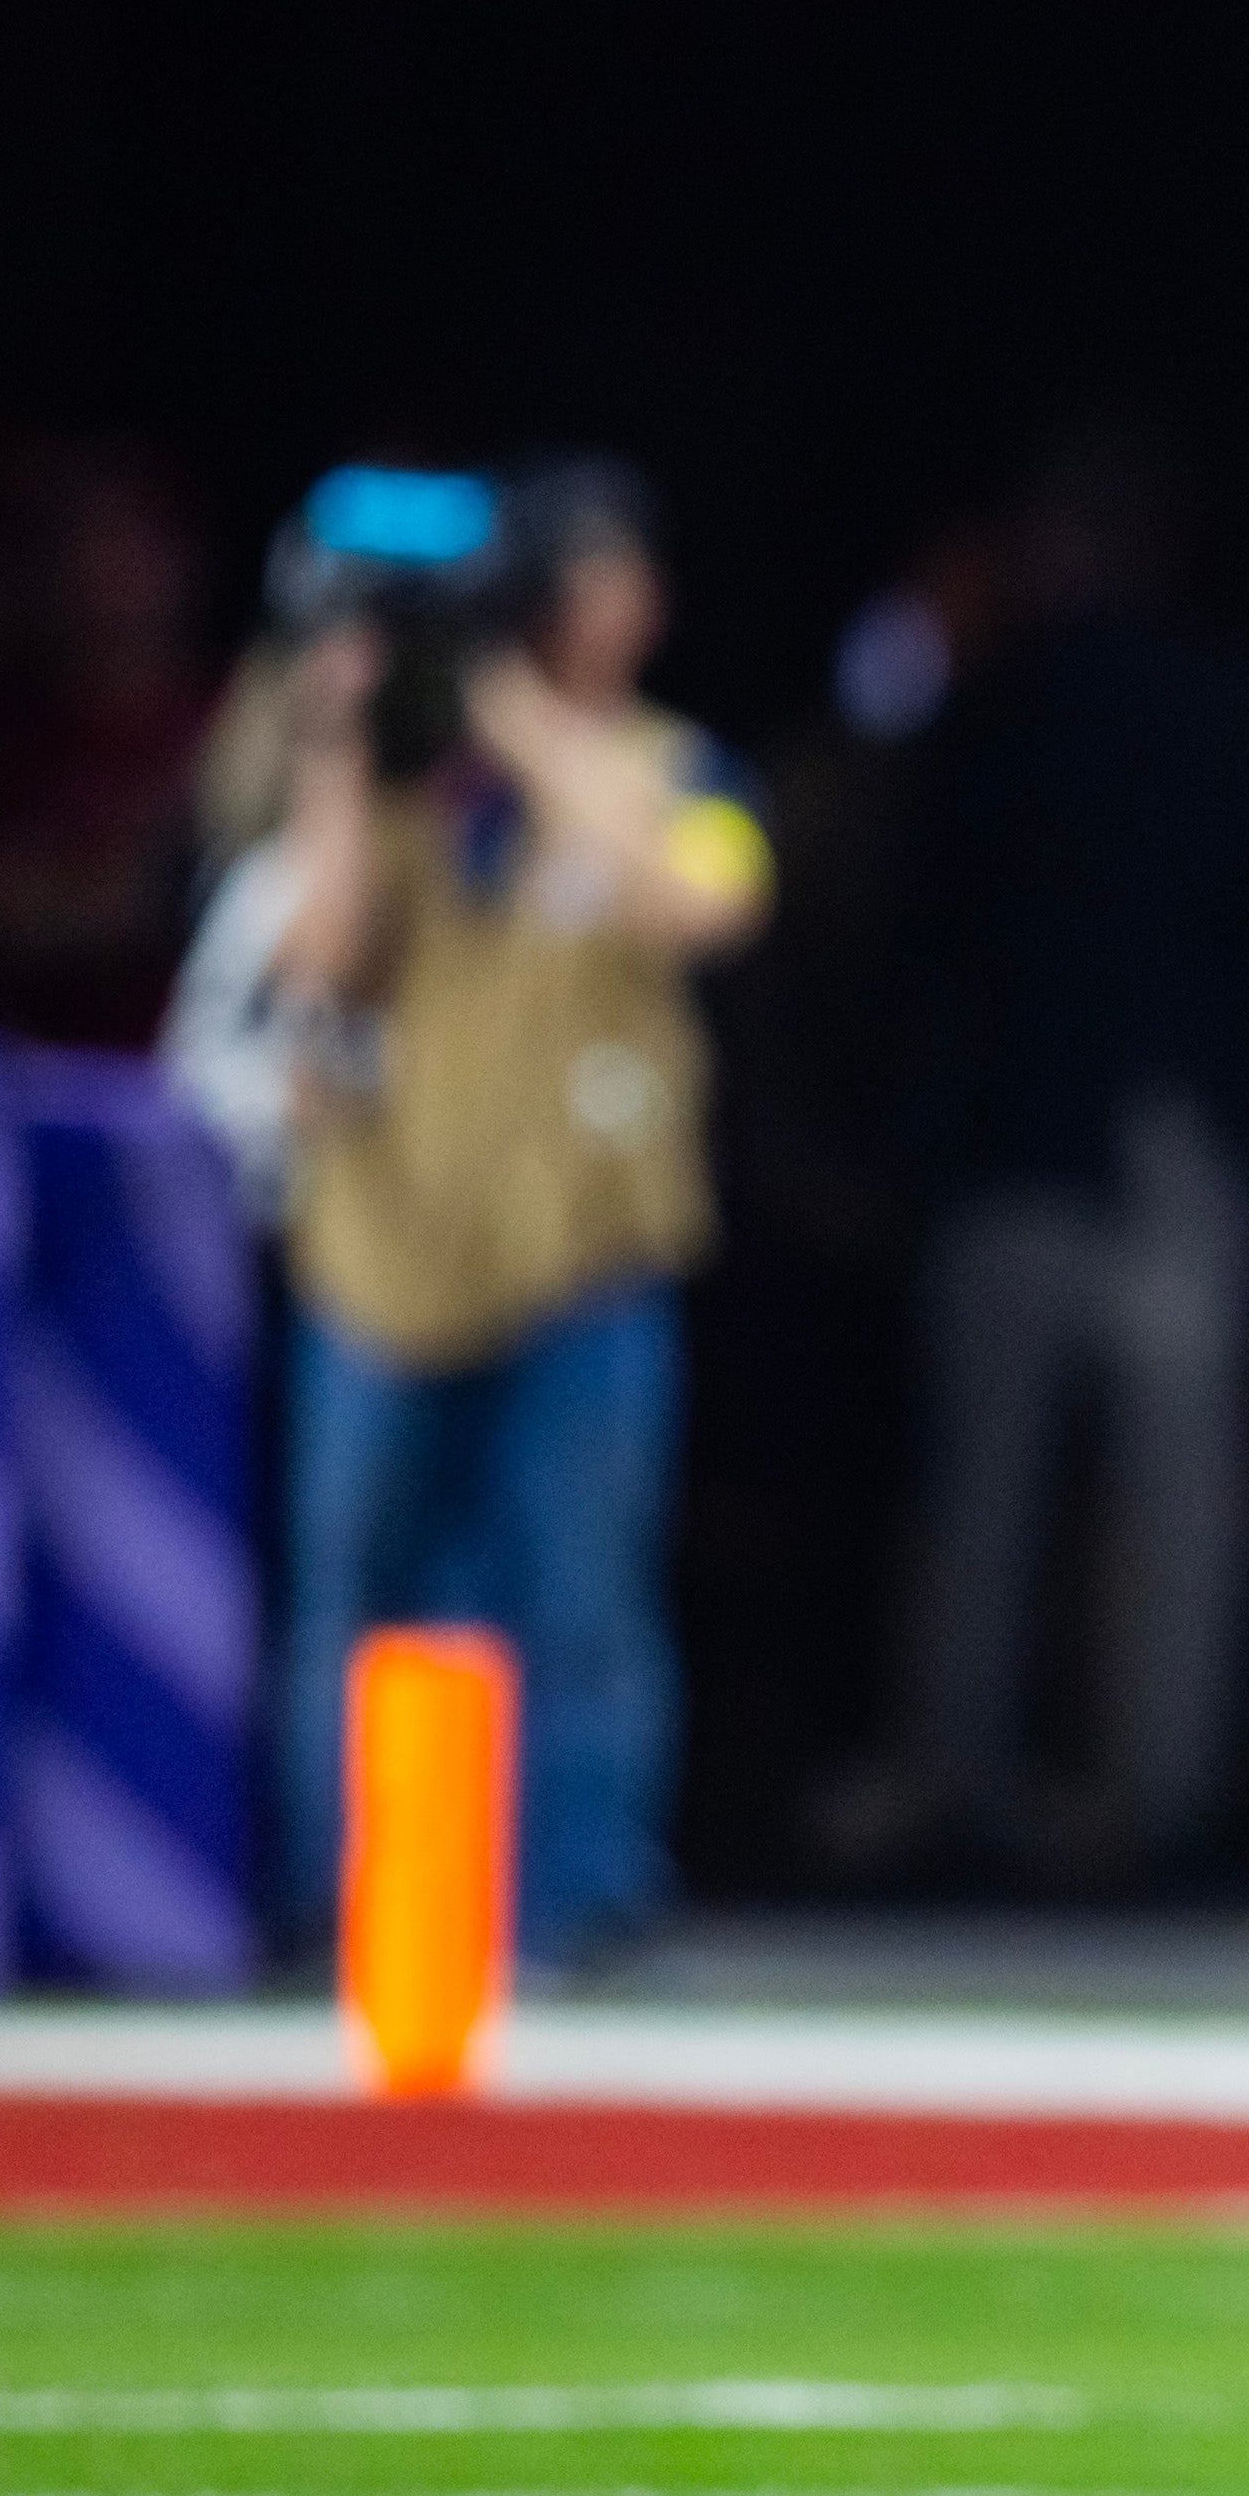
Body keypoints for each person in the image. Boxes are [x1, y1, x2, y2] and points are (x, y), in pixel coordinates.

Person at [250, 460, 769, 1969]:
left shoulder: (679, 769)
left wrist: (516, 713)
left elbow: (703, 903)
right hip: (389, 1246)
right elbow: (318, 961)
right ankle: (350, 1900)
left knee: (581, 1597)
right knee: (358, 1595)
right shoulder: (405, 779)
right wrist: (337, 752)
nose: (614, 601)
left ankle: (580, 1900)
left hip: (581, 1255)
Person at [855, 430, 1249, 1886]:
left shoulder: (1008, 703)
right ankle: (1153, 1793)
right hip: (1136, 1132)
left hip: (1054, 1133)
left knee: (1000, 1485)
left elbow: (921, 923)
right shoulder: (1200, 700)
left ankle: (967, 1783)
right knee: (1145, 1494)